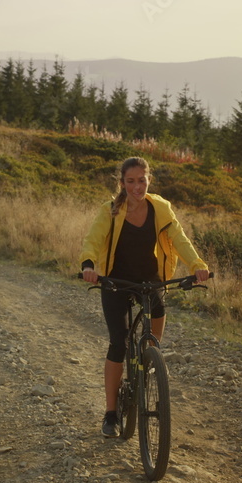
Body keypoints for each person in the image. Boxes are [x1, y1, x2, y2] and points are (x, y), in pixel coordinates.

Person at [80, 156, 210, 437]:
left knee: (157, 320)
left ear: (149, 180)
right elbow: (93, 239)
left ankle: (150, 361)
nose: (137, 187)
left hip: (151, 281)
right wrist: (88, 265)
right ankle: (111, 413)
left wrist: (197, 265)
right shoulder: (110, 211)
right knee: (118, 343)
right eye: (130, 181)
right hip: (116, 281)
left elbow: (180, 239)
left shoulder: (160, 208)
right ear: (122, 183)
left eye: (142, 180)